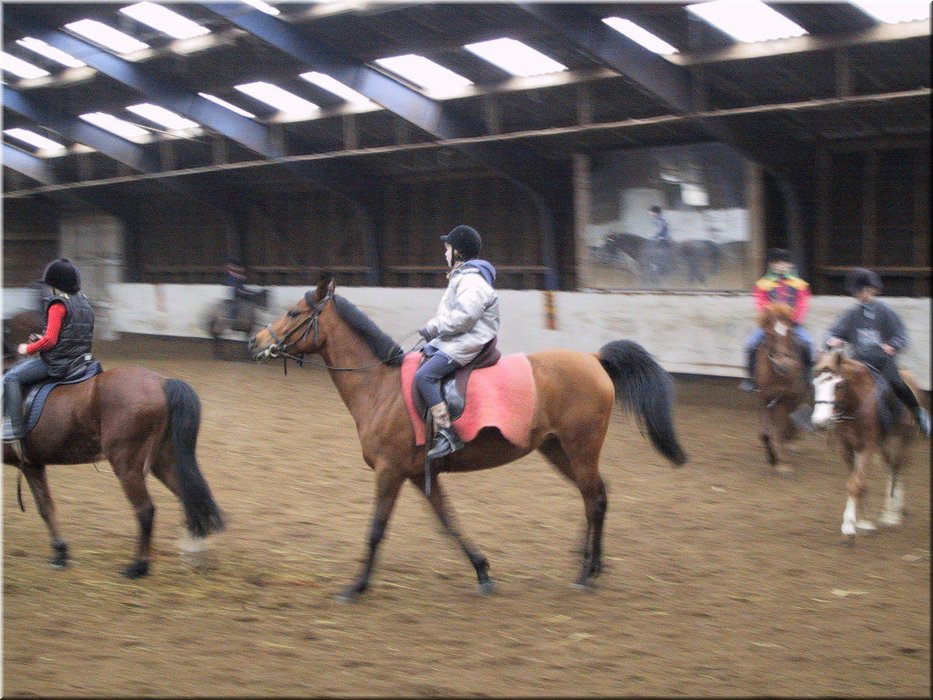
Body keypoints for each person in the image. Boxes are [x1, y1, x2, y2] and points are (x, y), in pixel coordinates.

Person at [416, 225, 499, 459]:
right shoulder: (462, 277)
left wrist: (433, 327)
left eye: (447, 248)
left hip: (467, 341)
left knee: (424, 376)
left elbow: (464, 317)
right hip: (457, 339)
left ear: (458, 252)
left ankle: (448, 433)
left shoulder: (472, 281)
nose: (445, 253)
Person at [824, 267, 930, 437]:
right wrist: (832, 339)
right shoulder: (851, 314)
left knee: (897, 384)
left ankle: (918, 414)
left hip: (883, 361)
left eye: (863, 291)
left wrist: (893, 345)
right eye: (858, 292)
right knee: (832, 382)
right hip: (857, 361)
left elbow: (901, 335)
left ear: (872, 290)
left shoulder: (886, 312)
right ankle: (826, 416)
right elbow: (834, 331)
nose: (860, 295)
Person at [3, 259, 95, 446]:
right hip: (82, 361)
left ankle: (13, 426)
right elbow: (73, 333)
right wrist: (41, 337)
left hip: (58, 363)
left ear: (55, 283)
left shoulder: (58, 305)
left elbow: (51, 340)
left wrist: (27, 348)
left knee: (12, 377)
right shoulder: (84, 303)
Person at [740, 248, 814, 392]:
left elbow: (803, 304)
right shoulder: (763, 284)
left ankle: (808, 375)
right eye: (777, 263)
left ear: (790, 265)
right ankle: (751, 379)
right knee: (750, 344)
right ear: (771, 265)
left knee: (808, 342)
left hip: (792, 324)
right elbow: (760, 303)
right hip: (770, 324)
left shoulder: (800, 284)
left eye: (784, 263)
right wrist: (770, 317)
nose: (780, 266)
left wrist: (794, 319)